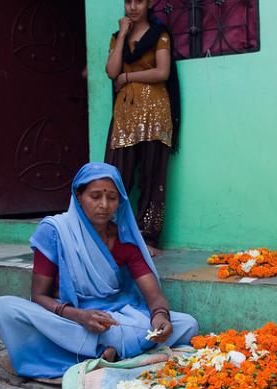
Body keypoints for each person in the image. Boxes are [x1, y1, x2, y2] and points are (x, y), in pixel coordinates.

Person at [0, 163, 198, 380]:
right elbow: (39, 296)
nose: (104, 205)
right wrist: (79, 315)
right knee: (2, 308)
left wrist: (160, 317)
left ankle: (97, 352)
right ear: (78, 196)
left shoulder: (124, 239)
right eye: (95, 196)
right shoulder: (55, 231)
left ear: (120, 201)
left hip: (114, 318)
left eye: (112, 198)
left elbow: (153, 295)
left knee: (187, 325)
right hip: (70, 320)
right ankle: (110, 350)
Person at [104, 0, 181, 256]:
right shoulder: (117, 37)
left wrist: (128, 77)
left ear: (149, 4)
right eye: (128, 2)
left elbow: (162, 72)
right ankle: (113, 235)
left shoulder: (159, 34)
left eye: (139, 1)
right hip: (125, 115)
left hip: (155, 115)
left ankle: (148, 239)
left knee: (152, 177)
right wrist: (124, 34)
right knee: (116, 176)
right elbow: (111, 71)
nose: (133, 7)